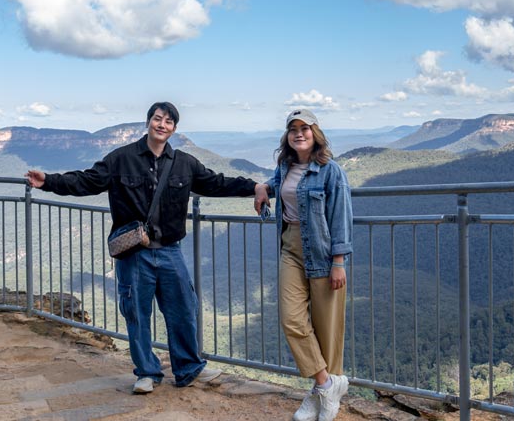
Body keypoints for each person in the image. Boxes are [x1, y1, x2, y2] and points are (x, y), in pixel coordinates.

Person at [26, 102, 267, 394]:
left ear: (174, 129)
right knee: (136, 313)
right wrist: (48, 181)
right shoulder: (121, 159)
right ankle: (147, 372)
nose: (162, 125)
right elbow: (87, 181)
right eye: (157, 119)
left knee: (183, 309)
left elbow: (217, 183)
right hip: (134, 252)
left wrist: (254, 187)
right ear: (148, 122)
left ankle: (188, 368)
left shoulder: (185, 163)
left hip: (169, 249)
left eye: (168, 121)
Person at [254, 109, 353, 421]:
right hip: (291, 249)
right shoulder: (285, 168)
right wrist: (262, 187)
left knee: (327, 330)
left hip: (323, 253)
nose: (299, 133)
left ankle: (321, 394)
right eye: (293, 129)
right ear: (287, 136)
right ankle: (327, 385)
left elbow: (341, 217)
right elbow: (277, 185)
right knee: (292, 319)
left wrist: (339, 261)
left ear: (315, 133)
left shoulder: (330, 171)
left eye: (305, 128)